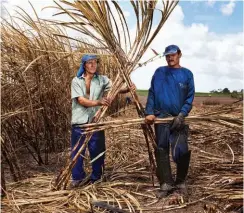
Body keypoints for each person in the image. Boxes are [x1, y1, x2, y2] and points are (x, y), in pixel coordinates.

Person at [71, 54, 135, 187]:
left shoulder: (102, 80)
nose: (93, 65)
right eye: (90, 62)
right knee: (77, 152)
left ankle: (97, 177)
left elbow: (116, 89)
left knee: (98, 150)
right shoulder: (76, 81)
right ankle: (77, 178)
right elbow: (81, 100)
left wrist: (128, 89)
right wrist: (98, 102)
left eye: (95, 62)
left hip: (96, 120)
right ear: (84, 65)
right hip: (80, 122)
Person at [145, 45, 195, 198]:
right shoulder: (159, 72)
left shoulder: (187, 74)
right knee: (161, 149)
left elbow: (190, 97)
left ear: (179, 54)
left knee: (181, 150)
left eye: (173, 55)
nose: (170, 58)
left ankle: (180, 182)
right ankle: (166, 183)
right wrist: (149, 112)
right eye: (167, 55)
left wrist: (182, 115)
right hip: (161, 118)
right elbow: (152, 92)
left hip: (178, 118)